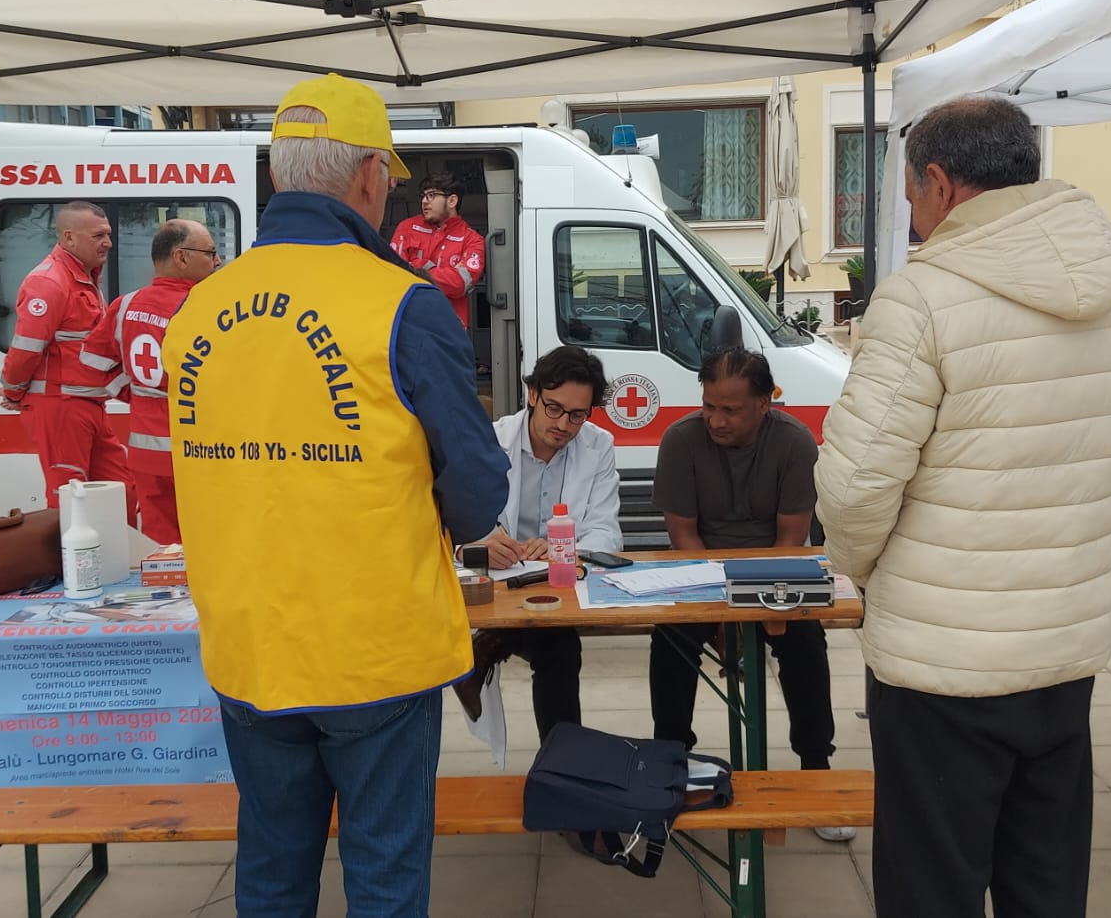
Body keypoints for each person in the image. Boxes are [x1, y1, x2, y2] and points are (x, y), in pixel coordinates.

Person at [814, 96, 1111, 916]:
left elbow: (856, 485)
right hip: (1061, 645)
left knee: (930, 882)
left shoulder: (924, 295)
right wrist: (1093, 462)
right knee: (1044, 879)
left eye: (910, 197)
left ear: (938, 182)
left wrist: (864, 569)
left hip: (941, 656)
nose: (914, 217)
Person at [165, 74, 507, 918]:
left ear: (281, 178)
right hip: (373, 652)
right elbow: (477, 494)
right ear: (368, 179)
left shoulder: (197, 309)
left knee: (273, 873)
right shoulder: (402, 304)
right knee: (384, 879)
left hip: (248, 647)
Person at [649, 346, 852, 843]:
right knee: (670, 640)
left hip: (774, 571)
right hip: (699, 570)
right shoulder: (680, 441)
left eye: (731, 409)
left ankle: (815, 767)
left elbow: (790, 540)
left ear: (765, 403)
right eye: (709, 406)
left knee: (806, 643)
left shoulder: (796, 443)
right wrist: (720, 612)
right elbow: (684, 538)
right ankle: (670, 762)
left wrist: (758, 609)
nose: (716, 420)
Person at [453, 345, 620, 743]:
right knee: (558, 646)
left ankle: (491, 650)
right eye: (554, 408)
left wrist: (563, 549)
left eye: (578, 415)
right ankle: (565, 766)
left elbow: (606, 533)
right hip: (497, 584)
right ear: (532, 395)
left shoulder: (598, 447)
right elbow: (455, 526)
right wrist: (479, 543)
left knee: (559, 645)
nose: (564, 424)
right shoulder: (491, 441)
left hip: (559, 584)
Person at [80, 218, 219, 545]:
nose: (217, 261)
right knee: (206, 543)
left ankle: (165, 595)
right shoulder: (206, 307)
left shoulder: (125, 305)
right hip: (197, 449)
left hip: (145, 453)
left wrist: (133, 392)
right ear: (181, 257)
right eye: (210, 253)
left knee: (160, 545)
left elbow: (92, 361)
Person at [0, 200, 133, 510]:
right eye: (98, 236)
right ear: (69, 238)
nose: (108, 243)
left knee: (121, 491)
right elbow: (26, 349)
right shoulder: (49, 283)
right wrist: (13, 390)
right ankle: (67, 560)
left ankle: (115, 556)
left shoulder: (82, 278)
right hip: (61, 407)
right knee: (71, 499)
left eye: (108, 234)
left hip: (86, 404)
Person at [389, 171, 485, 327]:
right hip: (410, 324)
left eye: (432, 195)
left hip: (450, 327)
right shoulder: (407, 227)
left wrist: (418, 266)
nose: (425, 201)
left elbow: (460, 283)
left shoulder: (472, 239)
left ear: (452, 201)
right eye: (423, 196)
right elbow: (394, 273)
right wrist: (443, 272)